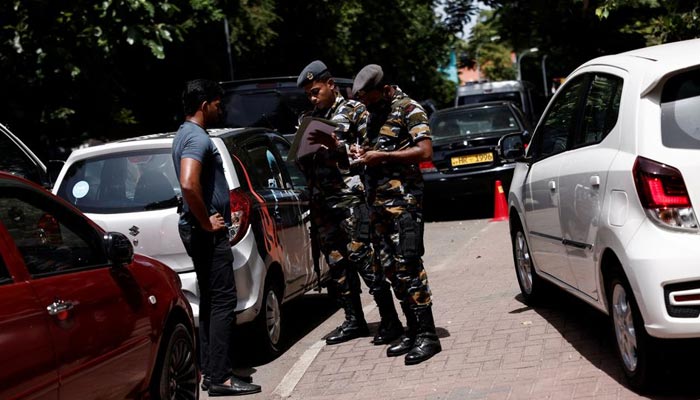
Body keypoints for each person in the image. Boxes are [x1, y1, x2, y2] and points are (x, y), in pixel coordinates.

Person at [295, 60, 404, 346]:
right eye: (308, 94)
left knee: (364, 259)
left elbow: (367, 152)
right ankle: (353, 320)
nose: (313, 97)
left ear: (330, 84)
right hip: (322, 201)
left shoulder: (356, 111)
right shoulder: (309, 118)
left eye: (316, 90)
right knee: (337, 262)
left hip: (350, 198)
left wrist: (337, 147)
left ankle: (389, 320)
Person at [172, 79, 261, 396]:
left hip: (197, 230)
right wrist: (207, 222)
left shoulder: (184, 134)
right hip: (205, 233)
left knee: (212, 302)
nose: (220, 109)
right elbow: (187, 183)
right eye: (217, 104)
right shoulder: (197, 138)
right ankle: (221, 379)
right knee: (223, 302)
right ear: (204, 104)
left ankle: (212, 372)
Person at [352, 64, 442, 365]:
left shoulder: (409, 109)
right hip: (377, 206)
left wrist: (384, 157)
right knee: (389, 269)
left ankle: (428, 335)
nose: (363, 103)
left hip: (404, 203)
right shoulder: (370, 115)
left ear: (383, 88)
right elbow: (370, 150)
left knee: (408, 265)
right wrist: (360, 154)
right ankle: (412, 330)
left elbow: (426, 151)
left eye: (367, 96)